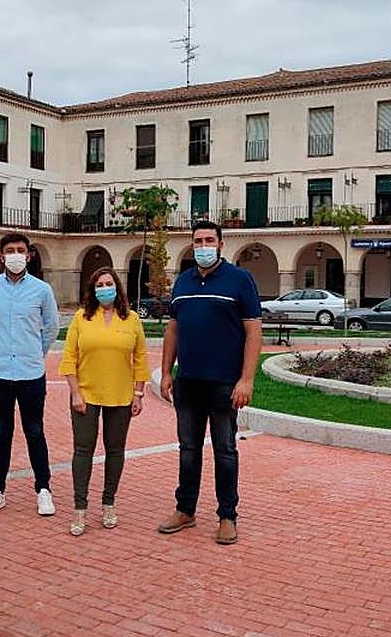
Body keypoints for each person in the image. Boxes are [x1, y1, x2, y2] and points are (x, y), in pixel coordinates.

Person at [158, 220, 262, 545]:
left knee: (225, 451)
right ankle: (185, 509)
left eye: (209, 240)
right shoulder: (182, 281)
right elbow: (173, 330)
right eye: (198, 241)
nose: (203, 246)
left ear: (220, 244)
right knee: (188, 450)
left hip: (224, 384)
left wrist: (246, 380)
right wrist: (166, 372)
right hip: (188, 382)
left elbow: (253, 332)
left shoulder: (240, 280)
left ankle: (227, 516)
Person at [58, 267, 150, 536]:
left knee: (115, 450)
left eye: (109, 284)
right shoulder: (81, 317)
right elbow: (69, 357)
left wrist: (138, 393)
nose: (104, 288)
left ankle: (109, 503)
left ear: (117, 287)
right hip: (85, 396)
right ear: (92, 290)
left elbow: (140, 358)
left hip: (121, 396)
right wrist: (75, 393)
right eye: (99, 285)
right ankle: (80, 508)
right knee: (82, 450)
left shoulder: (131, 319)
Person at [0, 232, 60, 517]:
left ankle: (43, 489)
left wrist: (35, 352)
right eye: (9, 250)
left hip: (30, 373)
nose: (15, 255)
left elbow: (51, 327)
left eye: (20, 250)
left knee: (35, 431)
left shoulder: (41, 290)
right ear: (1, 256)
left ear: (29, 255)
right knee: (1, 433)